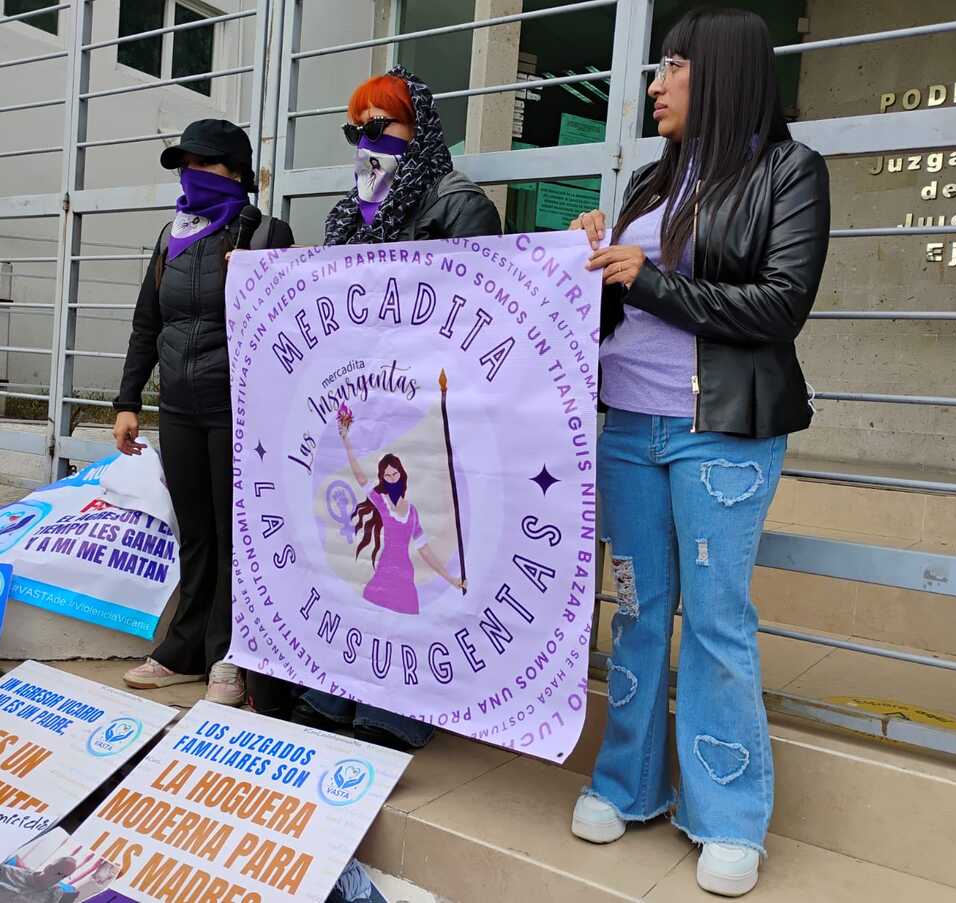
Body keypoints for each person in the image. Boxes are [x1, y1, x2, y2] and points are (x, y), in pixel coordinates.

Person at [566, 9, 830, 897]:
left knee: (716, 622)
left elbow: (779, 305)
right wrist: (589, 264)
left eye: (670, 65)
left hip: (720, 433)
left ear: (717, 70)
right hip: (628, 430)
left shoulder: (788, 172)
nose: (653, 85)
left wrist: (651, 278)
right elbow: (615, 316)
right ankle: (627, 783)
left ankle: (729, 815)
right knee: (636, 608)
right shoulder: (650, 181)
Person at [285, 66, 501, 751]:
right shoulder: (351, 212)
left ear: (421, 129)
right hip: (363, 411)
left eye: (381, 127)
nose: (367, 142)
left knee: (409, 556)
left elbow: (472, 314)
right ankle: (335, 688)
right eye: (357, 131)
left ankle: (400, 705)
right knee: (358, 557)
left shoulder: (460, 206)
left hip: (425, 416)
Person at [114, 120, 294, 706]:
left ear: (237, 171)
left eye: (205, 163)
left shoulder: (266, 234)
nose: (192, 173)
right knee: (194, 532)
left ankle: (229, 657)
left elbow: (289, 327)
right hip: (178, 410)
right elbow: (148, 324)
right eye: (184, 163)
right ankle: (183, 649)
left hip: (237, 412)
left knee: (231, 534)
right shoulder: (171, 236)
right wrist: (127, 401)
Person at [341, 423, 465, 615]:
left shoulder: (412, 512)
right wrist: (346, 443)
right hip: (385, 572)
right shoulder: (381, 502)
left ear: (401, 475)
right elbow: (361, 478)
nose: (392, 478)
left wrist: (451, 579)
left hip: (405, 574)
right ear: (382, 478)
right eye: (387, 475)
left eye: (395, 474)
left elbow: (425, 552)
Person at [0, 857, 78, 903]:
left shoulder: (55, 893)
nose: (59, 879)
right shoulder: (6, 871)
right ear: (48, 868)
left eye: (64, 876)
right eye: (59, 873)